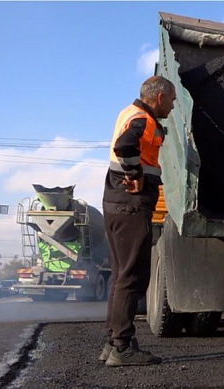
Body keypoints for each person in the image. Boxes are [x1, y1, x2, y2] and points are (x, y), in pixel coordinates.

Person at [98, 76, 176, 367]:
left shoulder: (127, 112)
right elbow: (125, 146)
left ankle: (115, 342)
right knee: (132, 276)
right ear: (159, 98)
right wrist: (134, 175)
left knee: (121, 276)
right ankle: (121, 347)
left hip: (116, 203)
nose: (173, 104)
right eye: (172, 98)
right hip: (130, 205)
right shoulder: (143, 119)